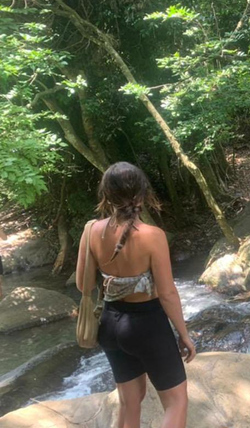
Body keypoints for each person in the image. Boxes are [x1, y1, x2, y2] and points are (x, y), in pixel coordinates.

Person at [76, 162, 195, 428]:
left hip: (110, 324)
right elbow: (166, 293)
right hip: (148, 326)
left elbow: (84, 287)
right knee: (176, 402)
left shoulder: (91, 231)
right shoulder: (153, 236)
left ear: (106, 195)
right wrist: (183, 334)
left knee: (130, 402)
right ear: (142, 194)